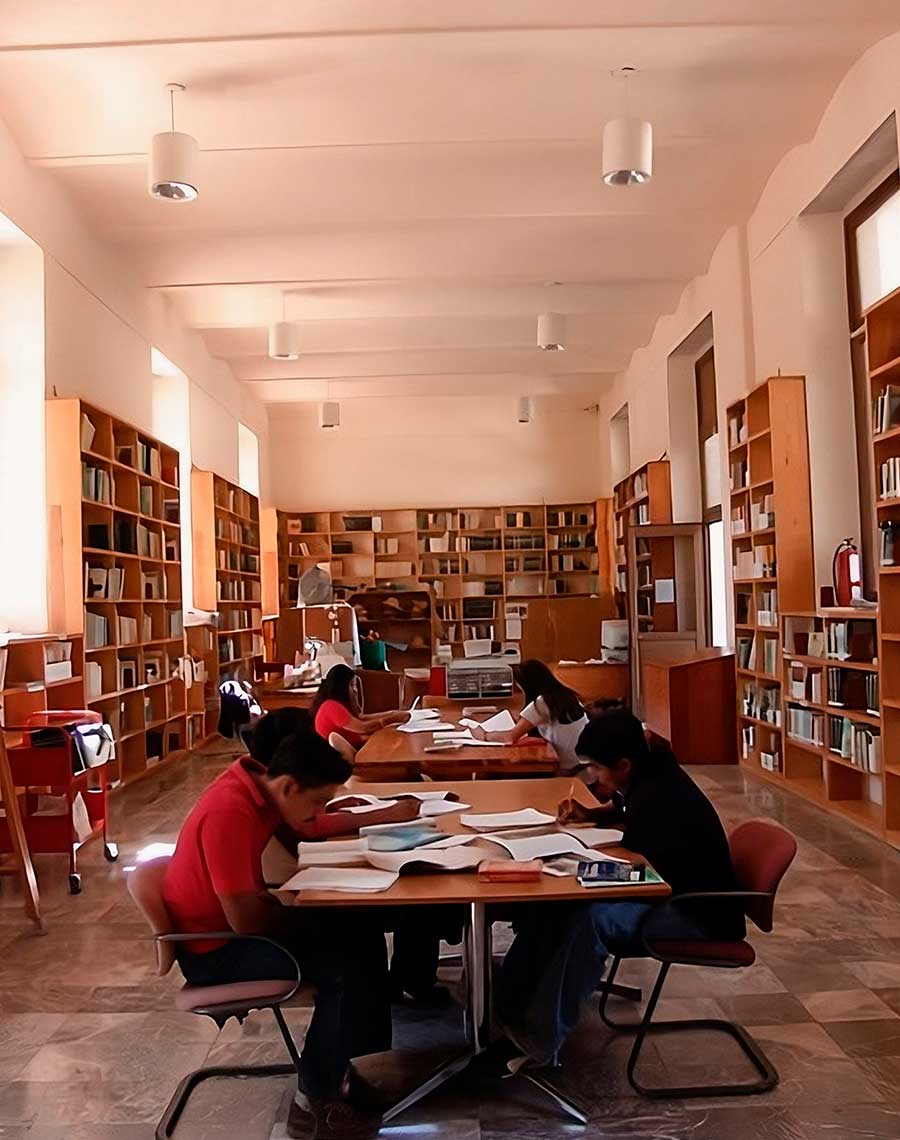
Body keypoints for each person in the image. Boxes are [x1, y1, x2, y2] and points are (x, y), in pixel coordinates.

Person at [162, 729, 390, 1140]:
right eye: (318, 800)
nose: (320, 809)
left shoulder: (262, 790)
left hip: (232, 929)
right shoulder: (230, 810)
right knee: (336, 968)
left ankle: (347, 1065)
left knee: (361, 935)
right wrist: (300, 915)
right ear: (289, 786)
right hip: (214, 947)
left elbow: (311, 827)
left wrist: (381, 815)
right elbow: (246, 921)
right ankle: (316, 1099)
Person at [496, 709, 745, 1067]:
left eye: (597, 768)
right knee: (553, 907)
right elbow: (625, 806)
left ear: (624, 765)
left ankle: (540, 1038)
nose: (593, 776)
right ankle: (510, 1005)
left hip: (696, 911)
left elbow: (642, 868)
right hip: (670, 890)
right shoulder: (651, 769)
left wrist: (578, 860)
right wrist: (591, 814)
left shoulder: (661, 796)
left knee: (592, 918)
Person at [250, 708, 462, 1003]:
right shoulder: (272, 799)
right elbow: (311, 828)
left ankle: (409, 980)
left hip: (306, 876)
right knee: (417, 898)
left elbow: (314, 823)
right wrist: (382, 814)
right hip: (303, 891)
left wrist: (366, 812)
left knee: (417, 889)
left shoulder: (269, 786)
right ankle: (410, 981)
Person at [471, 659, 588, 771]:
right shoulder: (566, 694)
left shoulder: (543, 703)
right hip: (585, 765)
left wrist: (484, 735)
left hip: (567, 769)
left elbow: (510, 737)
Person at [312, 664, 408, 748]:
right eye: (352, 685)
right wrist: (393, 719)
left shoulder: (334, 704)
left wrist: (392, 713)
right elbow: (363, 727)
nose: (355, 690)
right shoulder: (332, 707)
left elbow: (361, 718)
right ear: (342, 687)